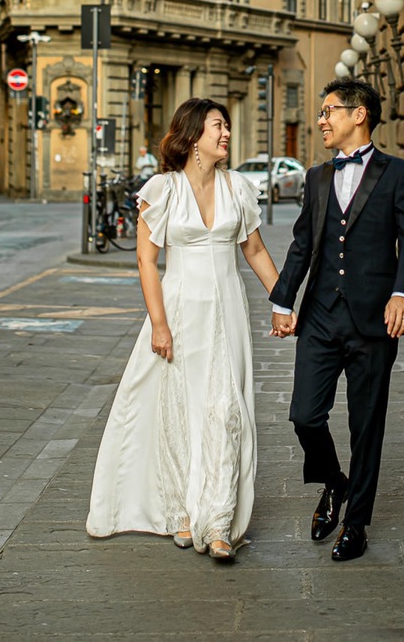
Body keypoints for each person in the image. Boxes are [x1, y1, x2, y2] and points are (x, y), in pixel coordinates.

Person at [87, 97, 284, 563]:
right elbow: (146, 260)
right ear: (194, 134)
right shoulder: (163, 189)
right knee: (178, 408)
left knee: (224, 409)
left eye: (228, 127)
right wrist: (159, 324)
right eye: (219, 126)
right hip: (179, 310)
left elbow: (254, 251)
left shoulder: (238, 187)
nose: (227, 134)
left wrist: (282, 300)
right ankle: (181, 511)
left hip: (228, 311)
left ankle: (217, 522)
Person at [270, 78, 404, 561]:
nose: (321, 120)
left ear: (359, 115)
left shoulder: (399, 173)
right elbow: (302, 245)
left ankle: (355, 523)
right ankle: (334, 482)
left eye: (329, 110)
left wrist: (403, 293)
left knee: (366, 426)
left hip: (374, 319)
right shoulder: (317, 178)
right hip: (319, 315)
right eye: (320, 112)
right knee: (304, 415)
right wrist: (282, 301)